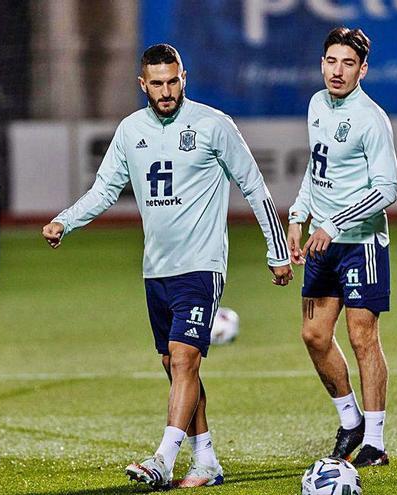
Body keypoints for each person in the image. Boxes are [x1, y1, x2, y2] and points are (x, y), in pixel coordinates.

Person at [42, 43, 292, 490]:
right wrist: (66, 221)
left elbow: (254, 187)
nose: (166, 90)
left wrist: (277, 252)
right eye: (156, 83)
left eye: (172, 81)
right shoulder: (129, 130)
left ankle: (162, 459)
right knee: (175, 365)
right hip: (156, 269)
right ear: (142, 84)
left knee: (184, 359)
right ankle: (207, 459)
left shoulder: (214, 125)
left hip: (201, 265)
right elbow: (104, 190)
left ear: (184, 78)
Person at [287, 27, 397, 467]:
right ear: (322, 63)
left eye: (348, 63)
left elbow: (387, 188)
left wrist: (333, 224)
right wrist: (298, 216)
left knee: (362, 337)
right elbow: (317, 172)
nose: (337, 70)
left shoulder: (371, 118)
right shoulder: (316, 104)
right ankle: (349, 419)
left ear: (362, 69)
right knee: (314, 335)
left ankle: (374, 440)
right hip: (322, 241)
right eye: (331, 61)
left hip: (360, 244)